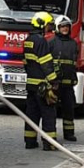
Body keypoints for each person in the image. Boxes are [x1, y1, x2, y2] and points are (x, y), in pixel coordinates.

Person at [23, 11, 58, 151]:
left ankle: (30, 141)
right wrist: (54, 80)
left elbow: (26, 62)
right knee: (48, 113)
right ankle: (49, 143)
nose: (50, 28)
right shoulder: (41, 40)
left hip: (31, 84)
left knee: (32, 113)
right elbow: (46, 63)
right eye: (49, 25)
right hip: (42, 85)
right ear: (42, 24)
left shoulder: (28, 40)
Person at [49, 16, 78, 142]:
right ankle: (51, 133)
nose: (65, 28)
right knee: (51, 110)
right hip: (55, 83)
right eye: (62, 26)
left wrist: (74, 78)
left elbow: (74, 63)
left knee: (69, 110)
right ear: (57, 28)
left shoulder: (73, 43)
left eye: (67, 26)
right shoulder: (51, 42)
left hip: (68, 84)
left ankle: (69, 133)